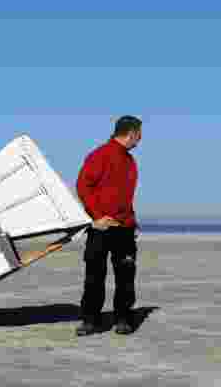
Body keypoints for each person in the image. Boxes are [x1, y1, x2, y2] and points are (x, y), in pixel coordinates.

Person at [76, 116, 142, 336]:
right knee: (95, 275)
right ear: (131, 133)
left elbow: (124, 197)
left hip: (124, 229)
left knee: (125, 275)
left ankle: (123, 319)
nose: (140, 139)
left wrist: (132, 221)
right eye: (139, 134)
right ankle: (89, 321)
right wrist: (96, 217)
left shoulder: (130, 161)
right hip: (101, 228)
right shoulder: (101, 155)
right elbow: (83, 185)